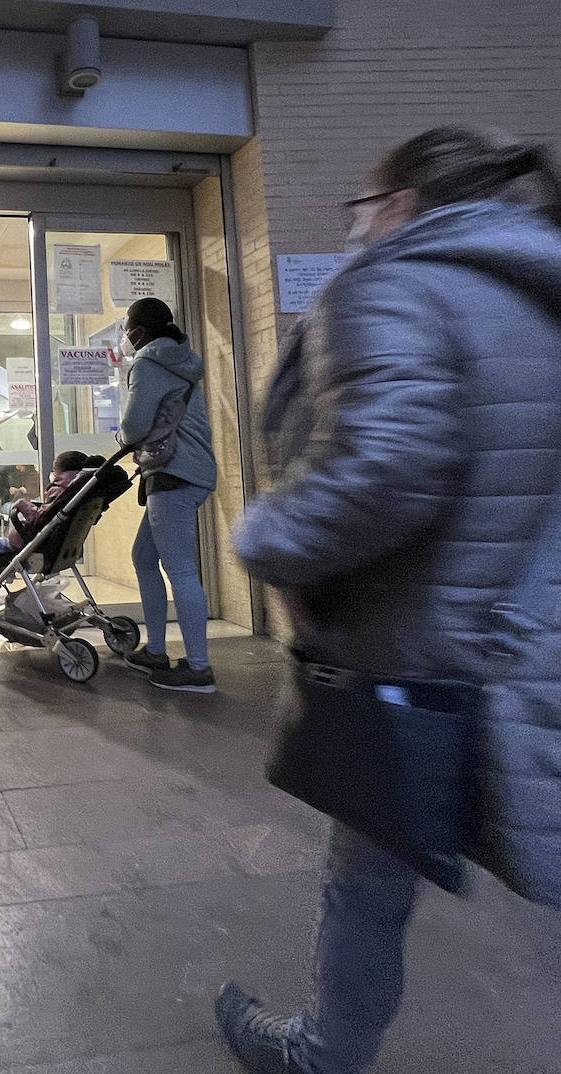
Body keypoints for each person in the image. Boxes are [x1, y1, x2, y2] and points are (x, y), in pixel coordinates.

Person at [215, 127, 561, 1074]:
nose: (357, 229)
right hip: (537, 646)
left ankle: (325, 1056)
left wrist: (265, 539)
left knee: (367, 881)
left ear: (403, 205)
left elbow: (387, 468)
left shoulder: (398, 285)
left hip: (424, 658)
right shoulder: (543, 291)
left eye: (362, 208)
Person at [116, 296, 218, 693]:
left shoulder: (148, 362)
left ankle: (198, 669)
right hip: (186, 470)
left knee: (180, 569)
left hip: (174, 472)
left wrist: (122, 437)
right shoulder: (180, 359)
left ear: (139, 332)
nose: (125, 336)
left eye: (126, 329)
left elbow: (135, 424)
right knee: (144, 557)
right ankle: (156, 650)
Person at [0, 450, 88, 594]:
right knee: (1, 546)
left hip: (40, 550)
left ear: (60, 470)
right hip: (63, 549)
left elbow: (41, 519)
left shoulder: (60, 490)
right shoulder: (79, 490)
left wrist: (23, 503)